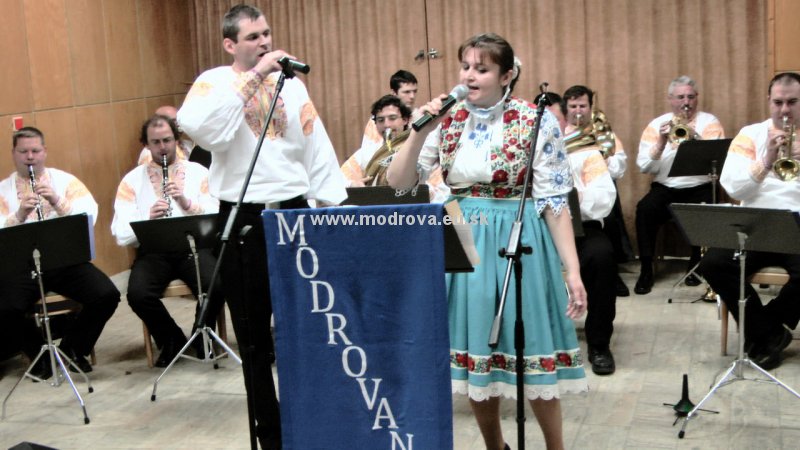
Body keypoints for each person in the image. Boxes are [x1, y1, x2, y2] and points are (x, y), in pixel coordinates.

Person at [388, 33, 587, 450]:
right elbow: (400, 184)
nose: (469, 76)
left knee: (531, 348)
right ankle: (495, 446)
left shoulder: (535, 120)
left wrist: (572, 269)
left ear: (507, 75)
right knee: (478, 351)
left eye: (481, 68)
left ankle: (555, 446)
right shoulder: (447, 119)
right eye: (465, 67)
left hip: (519, 233)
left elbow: (554, 203)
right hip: (462, 232)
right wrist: (419, 132)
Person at [176, 5, 347, 449]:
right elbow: (204, 131)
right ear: (230, 44)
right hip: (244, 218)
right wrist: (254, 77)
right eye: (253, 37)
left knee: (306, 329)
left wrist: (331, 208)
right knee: (253, 338)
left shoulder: (292, 84)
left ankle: (310, 424)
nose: (265, 42)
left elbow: (315, 146)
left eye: (266, 33)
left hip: (294, 213)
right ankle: (270, 436)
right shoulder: (214, 82)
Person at [697, 72, 800, 370]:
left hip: (797, 222)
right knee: (713, 264)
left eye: (792, 102)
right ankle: (769, 333)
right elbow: (734, 188)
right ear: (768, 101)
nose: (784, 110)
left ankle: (766, 327)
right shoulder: (750, 135)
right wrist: (766, 161)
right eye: (778, 102)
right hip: (756, 221)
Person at [0, 126, 120, 379]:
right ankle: (40, 357)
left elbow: (89, 216)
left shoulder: (65, 181)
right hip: (22, 268)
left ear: (44, 152)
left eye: (35, 151)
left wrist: (57, 200)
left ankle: (73, 349)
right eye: (23, 151)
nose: (30, 157)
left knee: (106, 295)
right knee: (7, 308)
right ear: (13, 153)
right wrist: (19, 214)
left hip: (65, 262)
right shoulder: (3, 190)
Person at [111, 115, 224, 367]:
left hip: (194, 248)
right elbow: (120, 233)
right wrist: (147, 218)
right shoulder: (131, 181)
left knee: (216, 284)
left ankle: (202, 336)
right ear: (146, 145)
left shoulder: (199, 173)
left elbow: (216, 214)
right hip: (153, 252)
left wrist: (186, 203)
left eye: (167, 140)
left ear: (176, 140)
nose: (163, 147)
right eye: (156, 142)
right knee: (138, 294)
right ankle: (171, 340)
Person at [634, 75, 725, 295]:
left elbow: (717, 160)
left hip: (700, 186)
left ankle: (697, 263)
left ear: (697, 98)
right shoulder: (656, 125)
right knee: (644, 210)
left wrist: (695, 137)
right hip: (665, 188)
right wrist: (661, 142)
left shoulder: (710, 122)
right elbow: (644, 166)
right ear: (670, 99)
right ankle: (646, 269)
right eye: (681, 97)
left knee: (708, 209)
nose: (686, 102)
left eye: (691, 97)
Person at [561, 86, 621, 375]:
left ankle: (599, 344)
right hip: (539, 230)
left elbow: (605, 199)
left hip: (582, 226)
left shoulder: (588, 152)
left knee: (602, 257)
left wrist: (576, 194)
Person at [563, 85, 632, 297]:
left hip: (596, 189)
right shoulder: (559, 134)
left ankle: (610, 273)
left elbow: (619, 168)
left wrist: (602, 159)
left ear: (590, 108)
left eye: (582, 106)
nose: (578, 111)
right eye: (573, 106)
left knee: (608, 218)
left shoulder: (604, 134)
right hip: (567, 198)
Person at [341, 94, 450, 202]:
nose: (386, 125)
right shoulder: (367, 153)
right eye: (380, 120)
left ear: (405, 120)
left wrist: (423, 191)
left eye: (392, 118)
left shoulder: (423, 147)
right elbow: (338, 181)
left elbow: (443, 189)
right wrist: (352, 184)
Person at [357, 70, 421, 161]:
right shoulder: (376, 121)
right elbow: (368, 155)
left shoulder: (419, 117)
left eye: (414, 91)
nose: (412, 96)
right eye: (407, 92)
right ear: (394, 93)